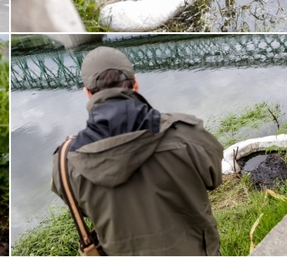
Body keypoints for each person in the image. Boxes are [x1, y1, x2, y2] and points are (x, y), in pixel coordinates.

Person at [51, 46, 223, 256]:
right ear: (136, 84)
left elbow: (86, 211)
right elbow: (213, 179)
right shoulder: (188, 135)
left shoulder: (65, 164)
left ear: (88, 94)